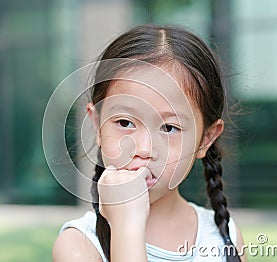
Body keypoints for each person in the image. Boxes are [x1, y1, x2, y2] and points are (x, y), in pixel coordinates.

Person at [52, 24, 247, 262]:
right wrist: (126, 225)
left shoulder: (224, 240)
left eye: (169, 128)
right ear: (97, 125)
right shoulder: (79, 246)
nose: (143, 149)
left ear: (206, 139)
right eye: (125, 123)